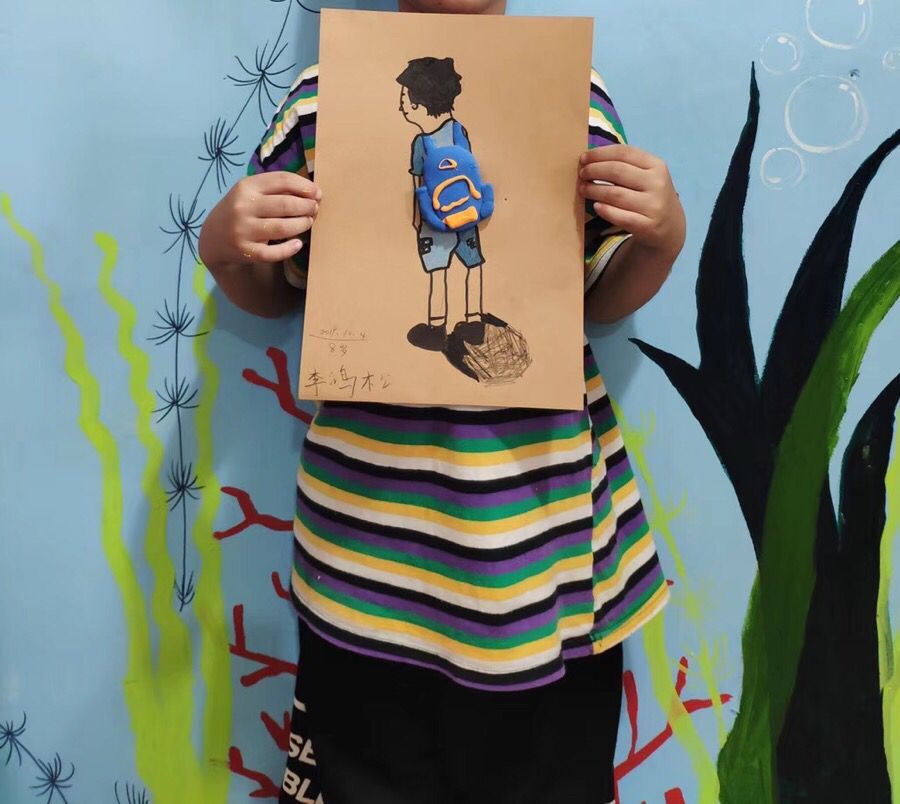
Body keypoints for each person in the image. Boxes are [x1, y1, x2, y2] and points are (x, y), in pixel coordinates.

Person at [198, 0, 686, 801]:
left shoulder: (570, 90)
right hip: (364, 566)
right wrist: (227, 249)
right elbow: (279, 289)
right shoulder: (324, 97)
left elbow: (598, 298)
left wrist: (662, 237)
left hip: (545, 563)